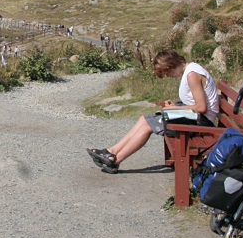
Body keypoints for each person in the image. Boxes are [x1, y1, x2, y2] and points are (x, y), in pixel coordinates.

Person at [87, 50, 219, 174]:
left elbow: (201, 107)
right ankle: (112, 151)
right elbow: (195, 104)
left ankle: (115, 160)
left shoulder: (192, 74)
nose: (167, 76)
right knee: (144, 119)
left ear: (170, 66)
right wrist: (175, 105)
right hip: (194, 118)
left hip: (201, 123)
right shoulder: (190, 71)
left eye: (166, 72)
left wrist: (174, 109)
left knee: (148, 126)